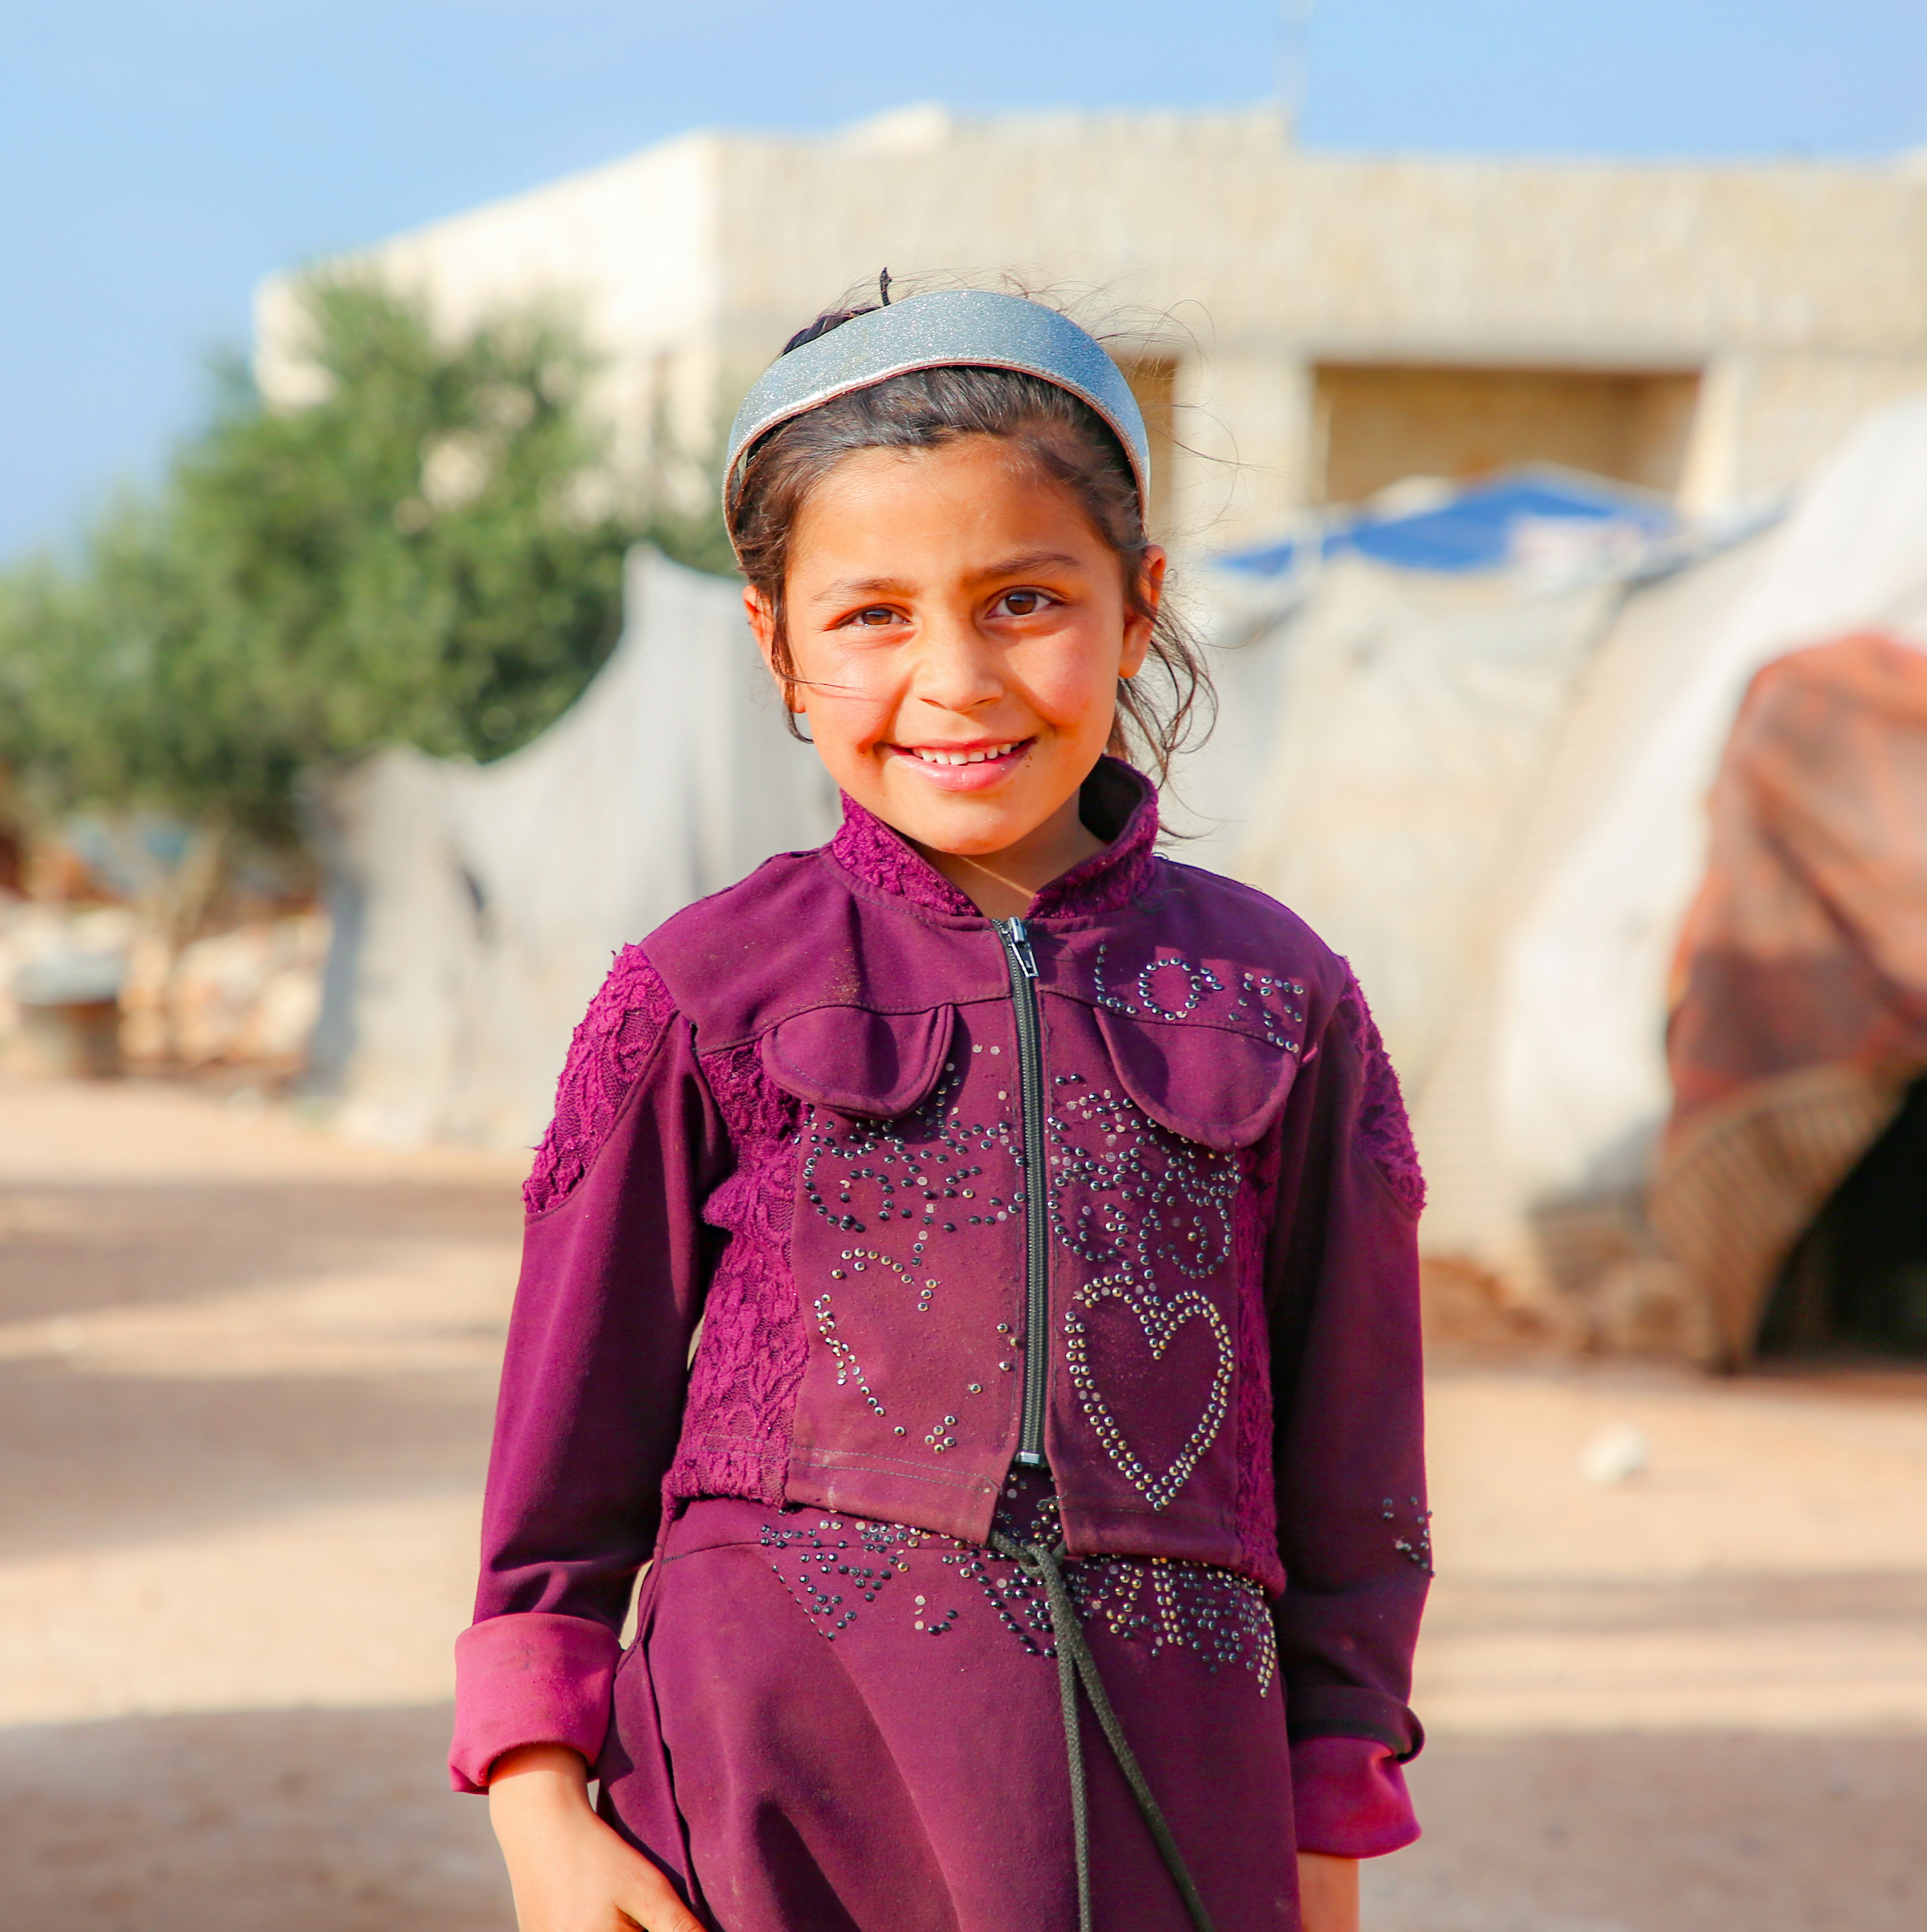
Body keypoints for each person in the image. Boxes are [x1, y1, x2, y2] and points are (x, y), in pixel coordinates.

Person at [457, 285, 1429, 1932]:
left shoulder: (1282, 1003)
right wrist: (541, 1810)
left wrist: (1324, 1837)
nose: (956, 681)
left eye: (1023, 600)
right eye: (871, 617)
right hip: (768, 1806)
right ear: (775, 643)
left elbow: (1357, 1479)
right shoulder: (703, 993)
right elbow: (564, 1463)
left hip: (1173, 1806)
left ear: (1140, 606)